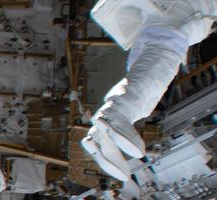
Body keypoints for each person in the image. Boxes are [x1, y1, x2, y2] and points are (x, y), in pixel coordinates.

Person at [83, 0, 217, 182]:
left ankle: (101, 136)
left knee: (148, 96)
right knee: (158, 67)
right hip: (174, 15)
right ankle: (114, 115)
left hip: (166, 18)